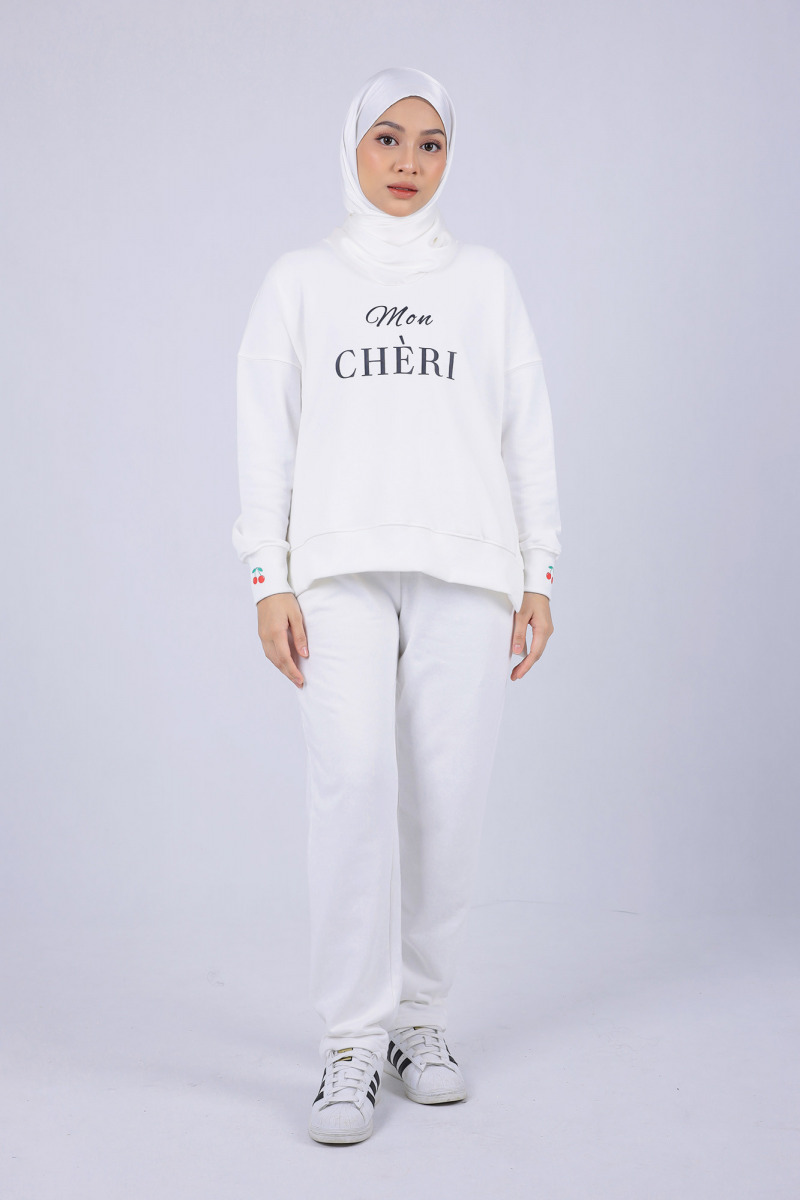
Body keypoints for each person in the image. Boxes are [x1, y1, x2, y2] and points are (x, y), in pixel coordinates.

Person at [232, 65, 562, 1145]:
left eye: (429, 143)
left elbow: (525, 428)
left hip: (468, 568)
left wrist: (538, 571)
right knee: (353, 787)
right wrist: (269, 576)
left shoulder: (486, 281)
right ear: (352, 146)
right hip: (336, 571)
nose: (407, 162)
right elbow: (264, 434)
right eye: (387, 138)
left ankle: (421, 1021)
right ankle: (348, 1040)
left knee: (447, 799)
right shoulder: (300, 280)